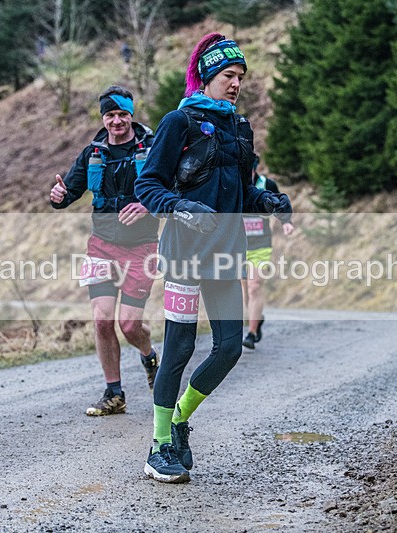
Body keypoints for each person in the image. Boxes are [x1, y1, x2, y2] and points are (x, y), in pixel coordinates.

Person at [135, 33, 293, 483]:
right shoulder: (178, 122)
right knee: (180, 348)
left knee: (228, 348)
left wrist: (269, 204)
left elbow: (243, 193)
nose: (236, 83)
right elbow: (148, 185)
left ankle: (181, 419)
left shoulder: (238, 128)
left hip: (226, 252)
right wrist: (182, 206)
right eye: (229, 75)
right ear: (207, 77)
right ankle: (159, 445)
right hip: (185, 252)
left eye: (241, 76)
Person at [49, 85, 160, 416]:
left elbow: (170, 188)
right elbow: (68, 191)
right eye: (110, 115)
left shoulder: (152, 149)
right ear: (103, 118)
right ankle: (114, 393)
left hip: (142, 247)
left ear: (131, 115)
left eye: (122, 114)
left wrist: (146, 205)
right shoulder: (92, 153)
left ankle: (149, 355)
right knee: (101, 320)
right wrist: (57, 196)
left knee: (129, 325)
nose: (116, 122)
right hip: (101, 245)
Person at [241, 155, 295, 349]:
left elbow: (279, 204)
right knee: (244, 291)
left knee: (254, 286)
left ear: (255, 168)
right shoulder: (234, 184)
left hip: (261, 245)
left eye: (249, 168)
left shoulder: (266, 184)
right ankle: (257, 318)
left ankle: (252, 333)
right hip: (239, 246)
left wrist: (286, 222)